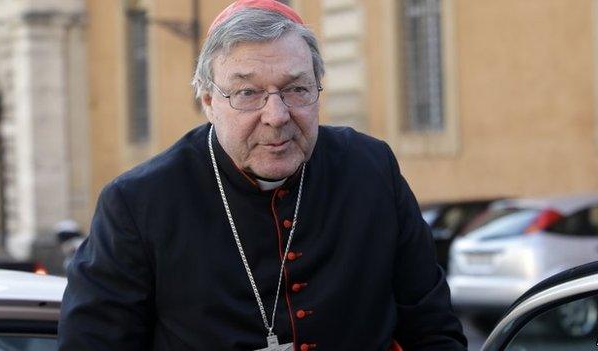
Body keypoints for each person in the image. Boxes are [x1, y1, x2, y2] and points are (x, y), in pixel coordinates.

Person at [58, 1, 468, 350]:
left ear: (317, 89)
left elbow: (432, 330)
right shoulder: (139, 202)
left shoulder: (371, 168)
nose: (277, 116)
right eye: (247, 93)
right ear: (208, 101)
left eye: (296, 89)